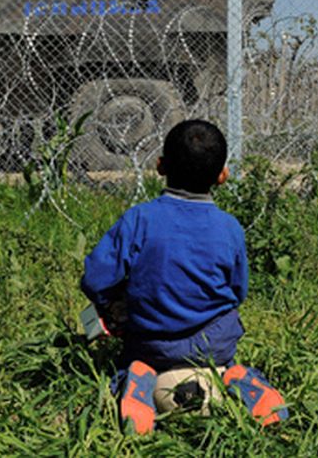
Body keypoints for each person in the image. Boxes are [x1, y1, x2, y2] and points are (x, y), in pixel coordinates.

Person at [80, 120, 287, 434]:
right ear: (222, 176)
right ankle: (236, 379)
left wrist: (115, 303)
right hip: (215, 345)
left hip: (152, 343)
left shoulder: (140, 219)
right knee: (225, 336)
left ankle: (134, 378)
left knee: (120, 329)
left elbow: (95, 280)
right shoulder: (229, 227)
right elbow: (238, 291)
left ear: (160, 166)